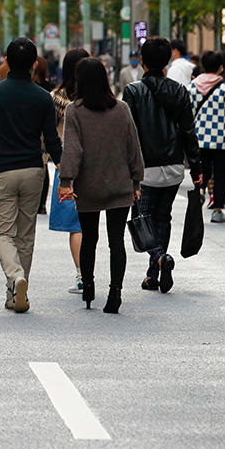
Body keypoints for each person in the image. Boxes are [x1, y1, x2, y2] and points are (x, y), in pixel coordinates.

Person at [0, 38, 62, 314]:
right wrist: (66, 175)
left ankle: (15, 278)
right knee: (25, 235)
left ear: (6, 63)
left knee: (3, 235)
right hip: (34, 171)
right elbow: (52, 141)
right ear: (35, 65)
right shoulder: (42, 97)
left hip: (1, 171)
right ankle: (16, 293)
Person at [59, 58, 145, 314]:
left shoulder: (75, 111)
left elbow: (73, 150)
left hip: (89, 185)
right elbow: (133, 147)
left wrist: (66, 180)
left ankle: (88, 286)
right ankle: (115, 291)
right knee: (116, 242)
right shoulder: (121, 109)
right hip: (119, 185)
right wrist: (136, 180)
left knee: (89, 240)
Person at [122, 37, 202, 294]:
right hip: (174, 166)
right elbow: (189, 130)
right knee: (162, 218)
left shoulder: (133, 91)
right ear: (168, 60)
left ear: (142, 60)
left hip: (144, 168)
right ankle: (152, 274)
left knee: (141, 219)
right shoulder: (180, 90)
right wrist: (197, 166)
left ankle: (159, 258)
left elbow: (129, 133)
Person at [49, 48, 89, 294]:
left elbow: (49, 135)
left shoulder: (56, 98)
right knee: (91, 222)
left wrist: (54, 162)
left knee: (76, 226)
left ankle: (82, 275)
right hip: (95, 165)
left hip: (65, 166)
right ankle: (91, 272)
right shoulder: (99, 97)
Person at [189, 50, 225, 224]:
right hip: (221, 141)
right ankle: (217, 210)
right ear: (220, 68)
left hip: (198, 139)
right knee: (221, 175)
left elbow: (186, 115)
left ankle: (200, 194)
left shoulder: (192, 87)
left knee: (201, 172)